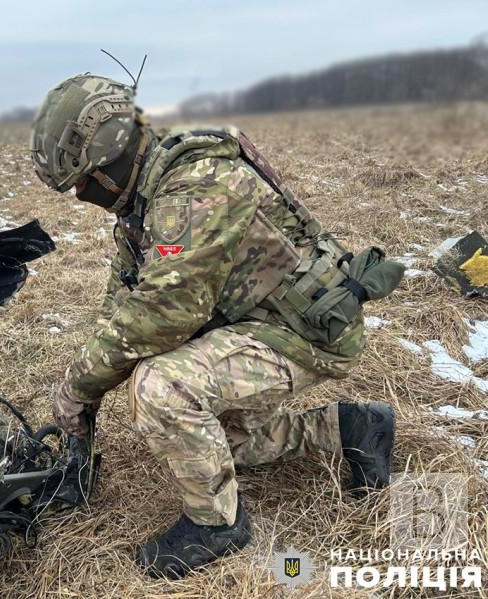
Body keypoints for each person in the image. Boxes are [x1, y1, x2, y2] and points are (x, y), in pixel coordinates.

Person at [29, 73, 404, 579]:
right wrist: (84, 392)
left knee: (164, 388)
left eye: (84, 177)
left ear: (110, 154)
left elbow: (164, 313)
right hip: (256, 319)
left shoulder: (197, 183)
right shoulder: (148, 193)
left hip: (301, 329)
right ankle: (350, 427)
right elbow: (124, 301)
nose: (79, 192)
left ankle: (216, 524)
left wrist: (79, 387)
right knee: (220, 449)